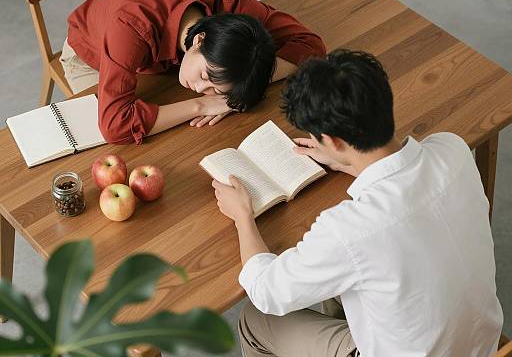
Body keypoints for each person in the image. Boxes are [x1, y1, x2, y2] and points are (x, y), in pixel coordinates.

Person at [211, 49, 503, 357]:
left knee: (257, 320)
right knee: (352, 278)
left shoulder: (348, 229)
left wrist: (243, 215)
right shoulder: (452, 149)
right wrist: (347, 160)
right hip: (481, 344)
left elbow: (266, 291)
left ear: (332, 140)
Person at [60, 0, 325, 144]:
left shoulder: (236, 16)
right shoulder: (129, 27)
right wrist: (204, 105)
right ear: (199, 40)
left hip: (160, 61)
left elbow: (311, 46)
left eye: (212, 87)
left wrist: (239, 92)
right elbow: (115, 127)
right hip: (93, 54)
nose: (199, 88)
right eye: (205, 77)